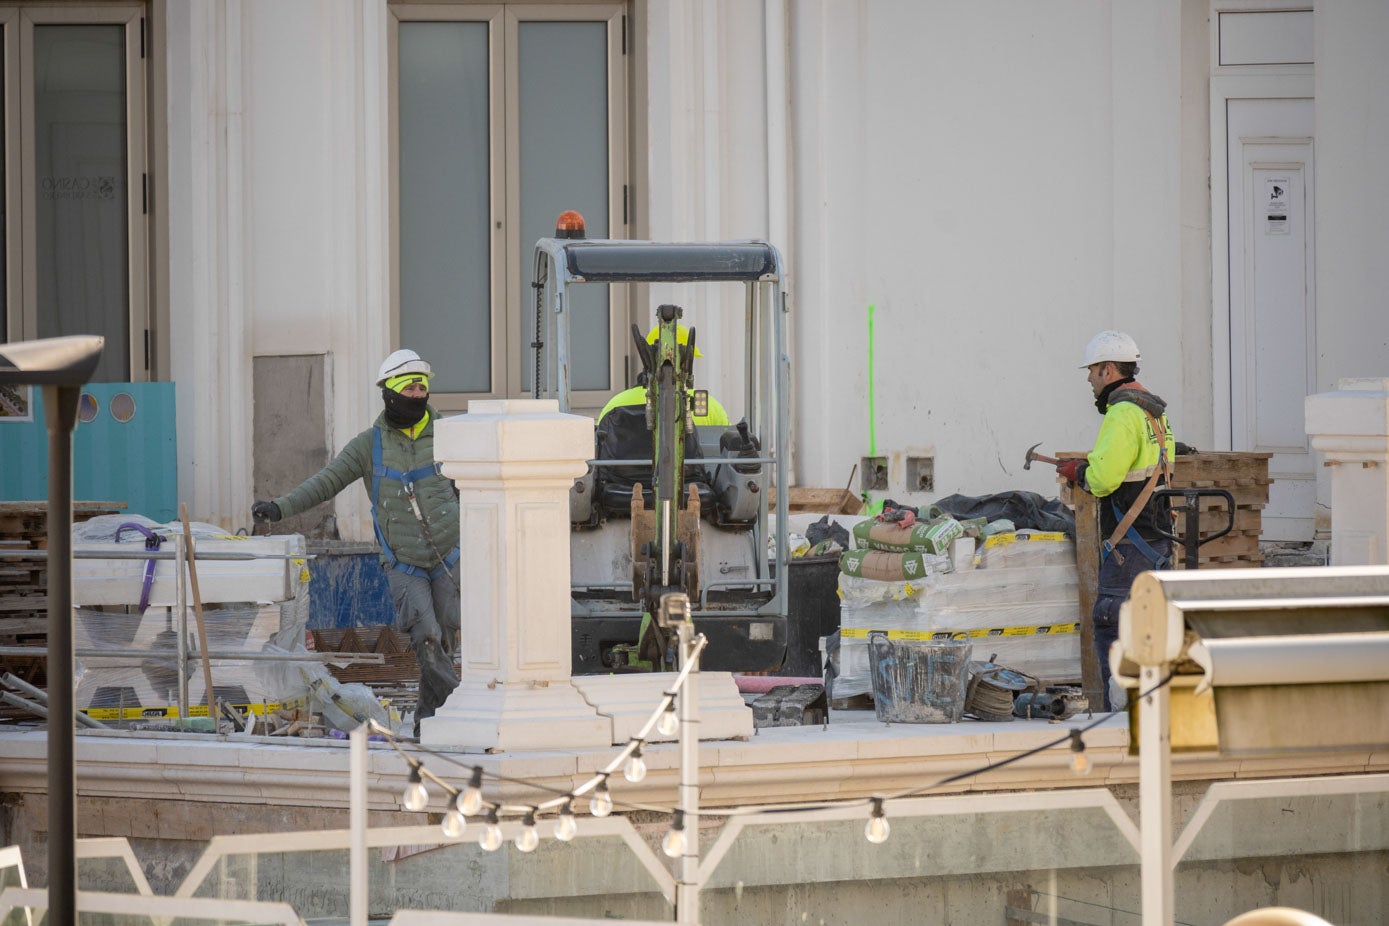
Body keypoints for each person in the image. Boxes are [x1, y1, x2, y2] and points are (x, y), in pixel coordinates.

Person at [253, 349, 460, 736]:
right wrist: (279, 508)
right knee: (427, 637)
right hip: (404, 564)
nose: (417, 394)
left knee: (444, 640)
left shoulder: (450, 435)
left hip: (450, 556)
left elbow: (476, 484)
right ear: (389, 393)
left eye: (423, 386)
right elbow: (327, 480)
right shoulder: (369, 445)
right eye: (409, 387)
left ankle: (427, 723)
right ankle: (462, 709)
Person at [1056, 330, 1174, 710]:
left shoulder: (1122, 412)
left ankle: (1118, 723)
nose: (1089, 379)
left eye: (1092, 371)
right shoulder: (1153, 410)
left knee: (1112, 622)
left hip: (1129, 544)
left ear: (1108, 370)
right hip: (1157, 537)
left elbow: (1105, 479)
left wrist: (1080, 473)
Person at [597, 324, 731, 428]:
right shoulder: (707, 405)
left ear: (647, 357)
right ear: (688, 360)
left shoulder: (616, 404)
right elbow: (727, 453)